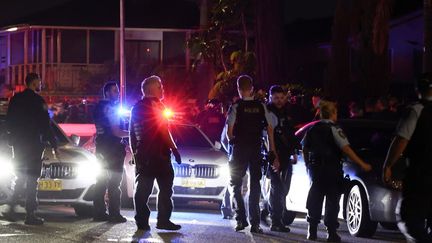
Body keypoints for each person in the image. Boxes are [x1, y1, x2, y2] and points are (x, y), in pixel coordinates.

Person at [302, 100, 372, 242]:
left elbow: (304, 147)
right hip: (331, 168)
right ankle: (331, 232)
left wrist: (308, 164)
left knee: (315, 198)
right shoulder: (335, 128)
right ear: (333, 113)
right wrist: (362, 163)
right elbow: (345, 148)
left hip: (315, 169)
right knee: (332, 200)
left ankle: (312, 230)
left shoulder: (312, 128)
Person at [226, 75, 279, 234]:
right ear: (252, 89)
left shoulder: (235, 107)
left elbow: (229, 133)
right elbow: (270, 130)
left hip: (239, 150)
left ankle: (240, 219)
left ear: (238, 89)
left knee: (235, 184)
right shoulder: (262, 106)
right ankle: (255, 224)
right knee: (255, 185)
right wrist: (273, 152)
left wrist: (233, 143)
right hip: (256, 149)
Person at [382, 73, 432, 242]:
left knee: (408, 218)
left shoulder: (416, 110)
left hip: (421, 174)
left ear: (418, 89)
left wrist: (388, 165)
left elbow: (401, 139)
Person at [4, 73, 58, 225]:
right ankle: (30, 214)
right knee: (32, 178)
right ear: (34, 83)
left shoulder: (15, 99)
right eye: (40, 82)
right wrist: (54, 144)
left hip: (19, 144)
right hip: (34, 144)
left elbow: (9, 122)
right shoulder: (38, 101)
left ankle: (12, 208)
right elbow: (45, 125)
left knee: (20, 176)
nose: (41, 85)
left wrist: (11, 140)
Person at [129, 75, 182, 231]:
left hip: (144, 155)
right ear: (151, 89)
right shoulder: (158, 106)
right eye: (159, 86)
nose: (162, 89)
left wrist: (135, 154)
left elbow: (132, 135)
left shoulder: (136, 108)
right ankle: (163, 220)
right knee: (165, 189)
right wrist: (174, 148)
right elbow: (164, 130)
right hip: (159, 155)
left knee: (142, 191)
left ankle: (142, 221)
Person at [93, 82, 129, 223]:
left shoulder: (98, 107)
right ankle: (114, 213)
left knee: (101, 181)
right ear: (107, 92)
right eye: (115, 91)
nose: (118, 93)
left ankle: (99, 212)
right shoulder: (111, 109)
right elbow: (116, 131)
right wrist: (131, 134)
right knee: (115, 183)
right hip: (113, 150)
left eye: (118, 91)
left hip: (101, 148)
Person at [266, 85, 299, 232]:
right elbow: (268, 137)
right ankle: (276, 221)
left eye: (281, 97)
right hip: (275, 155)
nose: (279, 101)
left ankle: (267, 212)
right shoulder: (268, 112)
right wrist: (274, 157)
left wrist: (293, 152)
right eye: (276, 98)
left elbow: (290, 133)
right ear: (270, 98)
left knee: (284, 189)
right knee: (277, 188)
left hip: (286, 155)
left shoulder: (287, 112)